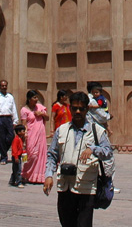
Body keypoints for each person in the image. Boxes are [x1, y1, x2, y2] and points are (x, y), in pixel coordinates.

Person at [43, 91, 114, 227]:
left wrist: (93, 149)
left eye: (81, 109)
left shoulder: (97, 131)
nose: (77, 111)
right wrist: (48, 175)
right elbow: (52, 154)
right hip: (65, 186)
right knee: (67, 223)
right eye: (74, 108)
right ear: (70, 108)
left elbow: (108, 152)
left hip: (86, 188)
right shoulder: (61, 130)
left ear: (87, 109)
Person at [20, 90, 49, 184]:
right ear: (29, 99)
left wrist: (42, 114)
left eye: (37, 97)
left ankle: (38, 177)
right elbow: (24, 124)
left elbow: (47, 118)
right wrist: (24, 136)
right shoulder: (24, 110)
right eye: (34, 98)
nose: (36, 100)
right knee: (32, 155)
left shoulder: (40, 107)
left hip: (41, 135)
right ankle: (25, 173)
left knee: (41, 155)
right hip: (31, 135)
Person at [0, 80, 19, 165]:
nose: (4, 87)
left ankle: (2, 150)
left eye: (5, 85)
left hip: (8, 118)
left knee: (11, 136)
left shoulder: (10, 97)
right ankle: (4, 157)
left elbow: (14, 109)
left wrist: (15, 120)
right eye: (2, 86)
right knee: (1, 138)